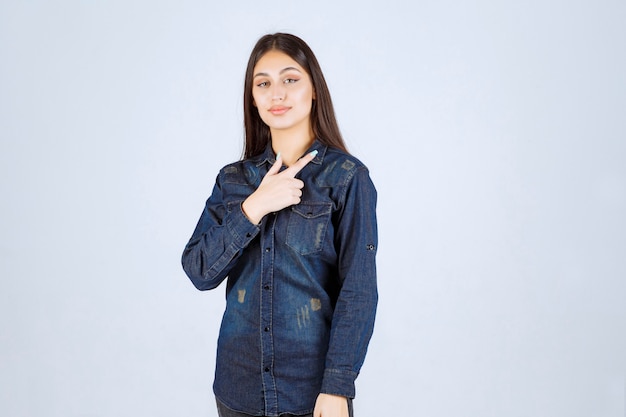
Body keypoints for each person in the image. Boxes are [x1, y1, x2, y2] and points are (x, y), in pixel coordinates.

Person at [181, 33, 378, 417]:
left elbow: (358, 291)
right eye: (263, 83)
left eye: (290, 79)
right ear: (253, 99)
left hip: (310, 394)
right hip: (238, 390)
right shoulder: (234, 181)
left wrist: (337, 386)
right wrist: (254, 207)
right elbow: (198, 271)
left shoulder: (347, 178)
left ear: (314, 90)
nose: (277, 94)